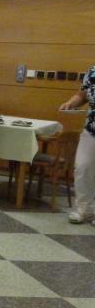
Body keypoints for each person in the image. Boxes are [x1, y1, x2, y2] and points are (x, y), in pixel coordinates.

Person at [60, 64, 95, 224]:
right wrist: (71, 103)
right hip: (91, 129)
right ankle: (83, 209)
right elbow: (83, 94)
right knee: (82, 167)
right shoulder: (93, 71)